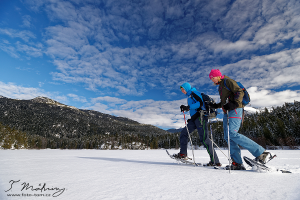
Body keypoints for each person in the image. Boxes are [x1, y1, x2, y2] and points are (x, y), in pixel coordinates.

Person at [208, 69, 273, 170]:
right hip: (227, 111)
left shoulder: (227, 81)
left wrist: (235, 103)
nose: (212, 80)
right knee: (228, 137)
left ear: (219, 76)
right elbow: (223, 102)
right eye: (211, 78)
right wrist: (214, 105)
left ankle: (262, 153)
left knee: (232, 133)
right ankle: (237, 163)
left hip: (235, 108)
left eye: (213, 77)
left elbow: (239, 91)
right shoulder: (220, 87)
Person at [174, 82, 221, 166]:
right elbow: (194, 108)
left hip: (201, 117)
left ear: (187, 88)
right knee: (184, 133)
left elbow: (200, 103)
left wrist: (188, 107)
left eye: (183, 89)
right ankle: (183, 154)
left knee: (204, 139)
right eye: (181, 90)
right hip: (195, 119)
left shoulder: (194, 93)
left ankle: (215, 161)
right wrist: (189, 114)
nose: (182, 91)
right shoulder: (189, 96)